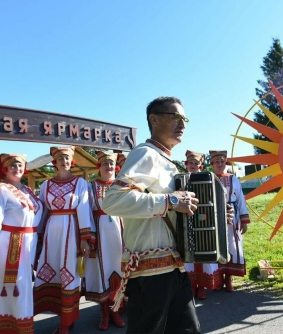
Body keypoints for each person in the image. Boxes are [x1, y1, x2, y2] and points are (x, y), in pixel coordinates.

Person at [102, 96, 201, 334]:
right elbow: (113, 201)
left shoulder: (166, 160)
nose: (182, 124)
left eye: (184, 118)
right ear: (154, 120)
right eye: (175, 117)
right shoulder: (145, 154)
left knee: (189, 330)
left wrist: (210, 215)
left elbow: (176, 213)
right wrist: (172, 200)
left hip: (174, 267)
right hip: (150, 273)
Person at [33, 146, 95, 334]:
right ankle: (57, 315)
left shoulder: (80, 184)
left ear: (71, 161)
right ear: (55, 162)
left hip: (71, 235)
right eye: (60, 158)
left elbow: (84, 209)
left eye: (67, 158)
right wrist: (37, 235)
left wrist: (85, 238)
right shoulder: (46, 185)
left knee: (69, 274)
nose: (64, 161)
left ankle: (66, 323)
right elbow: (41, 210)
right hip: (52, 235)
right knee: (52, 273)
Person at [0, 153, 43, 333]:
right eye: (13, 166)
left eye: (20, 165)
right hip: (9, 245)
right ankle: (8, 328)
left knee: (24, 287)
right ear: (5, 169)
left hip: (28, 244)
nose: (17, 169)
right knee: (11, 288)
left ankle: (22, 326)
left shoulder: (28, 191)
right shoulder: (0, 188)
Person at [82, 151, 126, 331]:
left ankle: (116, 310)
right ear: (98, 167)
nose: (108, 167)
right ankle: (105, 313)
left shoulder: (122, 185)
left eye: (110, 163)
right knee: (102, 273)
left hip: (120, 234)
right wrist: (90, 237)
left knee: (120, 271)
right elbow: (86, 212)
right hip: (100, 236)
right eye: (104, 164)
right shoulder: (90, 187)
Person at [182, 150, 222, 300]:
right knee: (188, 251)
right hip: (185, 219)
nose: (193, 165)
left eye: (196, 163)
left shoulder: (207, 178)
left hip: (203, 219)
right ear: (186, 164)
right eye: (190, 163)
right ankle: (191, 285)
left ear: (201, 165)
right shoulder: (180, 179)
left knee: (203, 248)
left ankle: (201, 287)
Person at [209, 150, 250, 292]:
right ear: (212, 164)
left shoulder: (233, 179)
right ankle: (218, 279)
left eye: (222, 161)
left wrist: (244, 220)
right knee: (216, 246)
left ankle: (229, 278)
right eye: (216, 162)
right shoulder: (210, 178)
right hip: (213, 216)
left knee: (232, 246)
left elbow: (240, 200)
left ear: (225, 163)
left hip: (233, 216)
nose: (219, 164)